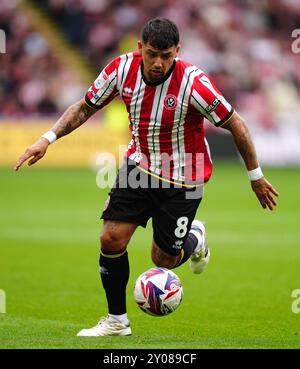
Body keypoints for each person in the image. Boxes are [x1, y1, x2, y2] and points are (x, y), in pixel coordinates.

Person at [14, 18, 279, 337]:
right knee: (110, 239)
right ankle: (116, 321)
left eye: (166, 56)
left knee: (163, 259)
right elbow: (85, 107)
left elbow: (236, 124)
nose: (158, 63)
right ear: (140, 48)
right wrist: (47, 138)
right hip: (139, 168)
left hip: (184, 177)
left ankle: (196, 237)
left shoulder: (193, 84)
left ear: (177, 52)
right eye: (152, 53)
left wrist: (255, 175)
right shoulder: (120, 70)